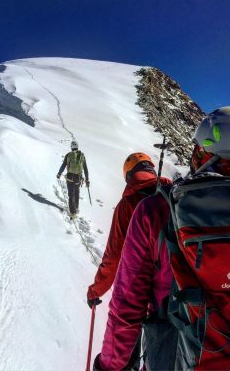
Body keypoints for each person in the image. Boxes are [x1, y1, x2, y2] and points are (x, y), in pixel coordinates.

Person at [93, 106, 230, 371]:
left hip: (174, 357)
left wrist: (109, 366)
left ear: (199, 152)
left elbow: (127, 304)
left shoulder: (157, 210)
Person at [88, 152, 171, 370]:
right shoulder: (174, 195)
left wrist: (96, 290)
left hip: (135, 292)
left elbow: (113, 257)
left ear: (129, 175)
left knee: (128, 349)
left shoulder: (127, 205)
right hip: (173, 300)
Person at [57, 141, 89, 217]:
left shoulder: (68, 155)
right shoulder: (82, 156)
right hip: (78, 177)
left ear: (71, 147)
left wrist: (59, 173)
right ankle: (76, 208)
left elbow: (63, 165)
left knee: (71, 194)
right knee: (76, 192)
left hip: (70, 177)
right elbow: (85, 168)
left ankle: (73, 212)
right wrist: (87, 179)